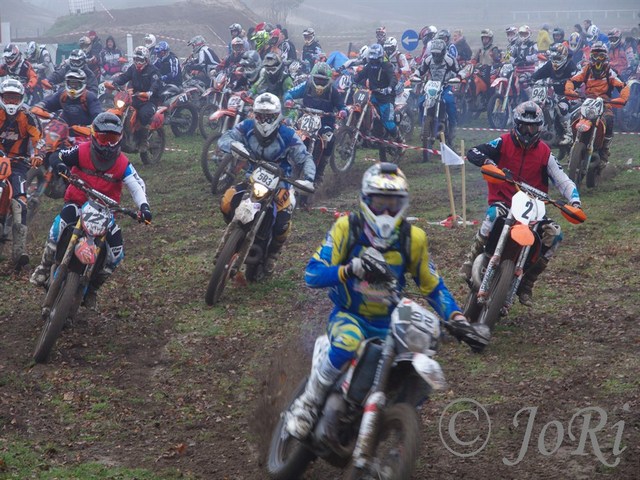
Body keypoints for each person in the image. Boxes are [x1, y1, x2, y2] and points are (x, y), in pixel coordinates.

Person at [285, 162, 489, 439]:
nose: (385, 212)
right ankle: (308, 403)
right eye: (380, 203)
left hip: (391, 323)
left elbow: (433, 287)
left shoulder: (412, 238)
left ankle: (392, 422)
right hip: (350, 315)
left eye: (393, 204)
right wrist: (349, 269)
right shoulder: (347, 228)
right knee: (347, 343)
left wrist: (458, 319)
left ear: (403, 204)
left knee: (417, 362)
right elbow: (312, 274)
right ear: (366, 200)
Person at [462, 101, 582, 307]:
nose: (528, 131)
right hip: (504, 200)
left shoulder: (545, 152)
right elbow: (474, 151)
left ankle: (527, 281)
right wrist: (489, 163)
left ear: (539, 127)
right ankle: (470, 258)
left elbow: (562, 179)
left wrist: (575, 200)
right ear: (516, 125)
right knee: (493, 215)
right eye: (524, 126)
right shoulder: (503, 142)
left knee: (554, 234)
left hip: (534, 206)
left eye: (533, 127)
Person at [30, 112, 152, 309]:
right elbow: (57, 155)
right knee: (59, 226)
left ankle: (93, 288)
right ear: (94, 136)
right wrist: (60, 165)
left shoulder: (123, 163)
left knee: (117, 253)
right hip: (78, 202)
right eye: (104, 138)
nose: (108, 144)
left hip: (105, 211)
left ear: (120, 138)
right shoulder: (82, 151)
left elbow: (136, 186)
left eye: (113, 139)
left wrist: (144, 207)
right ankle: (44, 267)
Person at [216, 92, 315, 275]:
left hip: (281, 182)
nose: (264, 120)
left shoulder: (288, 134)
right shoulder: (246, 126)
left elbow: (305, 157)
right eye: (260, 116)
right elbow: (227, 136)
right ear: (255, 114)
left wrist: (308, 178)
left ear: (277, 116)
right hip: (252, 177)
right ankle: (234, 233)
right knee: (227, 201)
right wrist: (233, 145)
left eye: (269, 117)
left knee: (283, 220)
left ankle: (273, 254)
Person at [0, 78, 42, 270]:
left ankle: (19, 251)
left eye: (14, 98)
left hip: (18, 164)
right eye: (8, 98)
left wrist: (38, 155)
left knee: (20, 202)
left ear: (21, 99)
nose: (11, 102)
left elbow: (39, 139)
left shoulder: (28, 117)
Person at [565, 42, 629, 164]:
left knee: (609, 119)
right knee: (574, 116)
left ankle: (605, 149)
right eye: (595, 55)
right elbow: (572, 80)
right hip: (587, 100)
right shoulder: (586, 69)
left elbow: (623, 86)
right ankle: (573, 145)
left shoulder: (610, 72)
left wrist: (622, 98)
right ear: (591, 56)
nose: (598, 59)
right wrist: (569, 90)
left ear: (605, 57)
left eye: (601, 56)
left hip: (604, 102)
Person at [284, 61, 347, 185]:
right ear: (312, 77)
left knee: (330, 139)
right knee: (290, 133)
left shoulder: (332, 91)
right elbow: (290, 92)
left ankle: (320, 172)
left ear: (328, 80)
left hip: (325, 121)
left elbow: (342, 106)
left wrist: (343, 112)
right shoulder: (306, 86)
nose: (320, 82)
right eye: (317, 79)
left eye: (323, 80)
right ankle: (284, 162)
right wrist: (289, 100)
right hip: (305, 117)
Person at [108, 46, 162, 154]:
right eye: (136, 59)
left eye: (140, 60)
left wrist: (149, 92)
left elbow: (156, 84)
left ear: (146, 60)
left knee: (143, 114)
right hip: (135, 97)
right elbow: (124, 77)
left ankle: (143, 141)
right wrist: (114, 83)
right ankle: (125, 133)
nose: (138, 62)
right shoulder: (132, 68)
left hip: (150, 100)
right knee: (124, 109)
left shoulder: (153, 70)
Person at [530, 43, 577, 145]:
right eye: (553, 58)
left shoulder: (571, 65)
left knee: (561, 108)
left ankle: (569, 134)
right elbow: (541, 72)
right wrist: (532, 78)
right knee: (544, 103)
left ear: (564, 57)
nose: (555, 61)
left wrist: (567, 82)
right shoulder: (550, 65)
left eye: (558, 58)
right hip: (556, 93)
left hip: (571, 95)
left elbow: (576, 79)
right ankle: (543, 128)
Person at [354, 44, 401, 143]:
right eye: (372, 60)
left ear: (380, 58)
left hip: (386, 97)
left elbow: (393, 78)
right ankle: (367, 132)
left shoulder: (387, 66)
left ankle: (399, 138)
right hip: (373, 95)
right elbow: (361, 75)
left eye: (375, 60)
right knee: (363, 108)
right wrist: (353, 80)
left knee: (387, 122)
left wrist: (389, 88)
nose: (373, 62)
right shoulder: (369, 66)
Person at [418, 38, 460, 144]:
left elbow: (458, 71)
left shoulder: (449, 60)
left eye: (438, 53)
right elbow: (420, 70)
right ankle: (423, 125)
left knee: (449, 102)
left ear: (443, 52)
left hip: (445, 86)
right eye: (434, 53)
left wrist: (458, 77)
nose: (436, 56)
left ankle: (452, 127)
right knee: (421, 102)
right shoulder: (428, 59)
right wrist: (415, 75)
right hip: (432, 87)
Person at [36, 69, 103, 127]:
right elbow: (49, 103)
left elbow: (97, 116)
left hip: (85, 134)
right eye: (71, 84)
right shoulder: (63, 94)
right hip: (63, 132)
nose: (73, 87)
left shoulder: (89, 97)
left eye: (76, 84)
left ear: (83, 84)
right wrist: (40, 106)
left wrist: (90, 128)